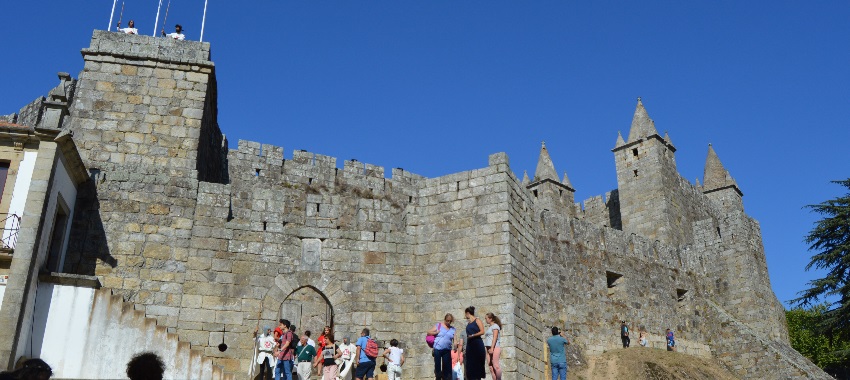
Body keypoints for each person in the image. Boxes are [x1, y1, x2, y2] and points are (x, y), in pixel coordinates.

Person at [427, 313, 456, 380]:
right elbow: (428, 332)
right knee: (438, 366)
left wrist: (455, 346)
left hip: (447, 350)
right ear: (444, 319)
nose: (448, 322)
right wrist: (436, 332)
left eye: (450, 321)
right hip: (438, 349)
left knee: (446, 367)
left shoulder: (453, 329)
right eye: (447, 320)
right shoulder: (439, 325)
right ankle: (438, 377)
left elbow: (455, 339)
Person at [463, 307, 486, 380]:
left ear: (468, 313)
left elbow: (482, 331)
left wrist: (473, 335)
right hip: (470, 345)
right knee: (470, 365)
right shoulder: (468, 323)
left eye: (465, 314)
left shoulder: (477, 320)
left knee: (477, 364)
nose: (465, 316)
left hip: (477, 343)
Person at [483, 313, 502, 380]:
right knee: (491, 367)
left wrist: (492, 348)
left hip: (494, 347)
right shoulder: (490, 327)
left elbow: (495, 337)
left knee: (496, 365)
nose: (485, 320)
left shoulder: (495, 326)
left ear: (490, 318)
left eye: (486, 318)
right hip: (488, 348)